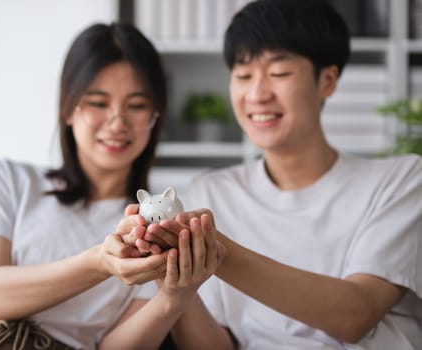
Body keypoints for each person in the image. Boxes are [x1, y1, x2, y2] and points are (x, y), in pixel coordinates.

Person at [121, 0, 422, 348]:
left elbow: (356, 314)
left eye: (279, 73)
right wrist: (171, 277)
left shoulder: (400, 181)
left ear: (327, 81)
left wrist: (214, 249)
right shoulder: (212, 192)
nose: (257, 95)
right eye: (244, 75)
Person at [0, 22, 185, 350]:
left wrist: (175, 299)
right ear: (68, 109)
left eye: (136, 106)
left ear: (155, 116)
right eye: (98, 103)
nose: (118, 122)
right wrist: (98, 262)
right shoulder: (7, 179)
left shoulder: (154, 226)